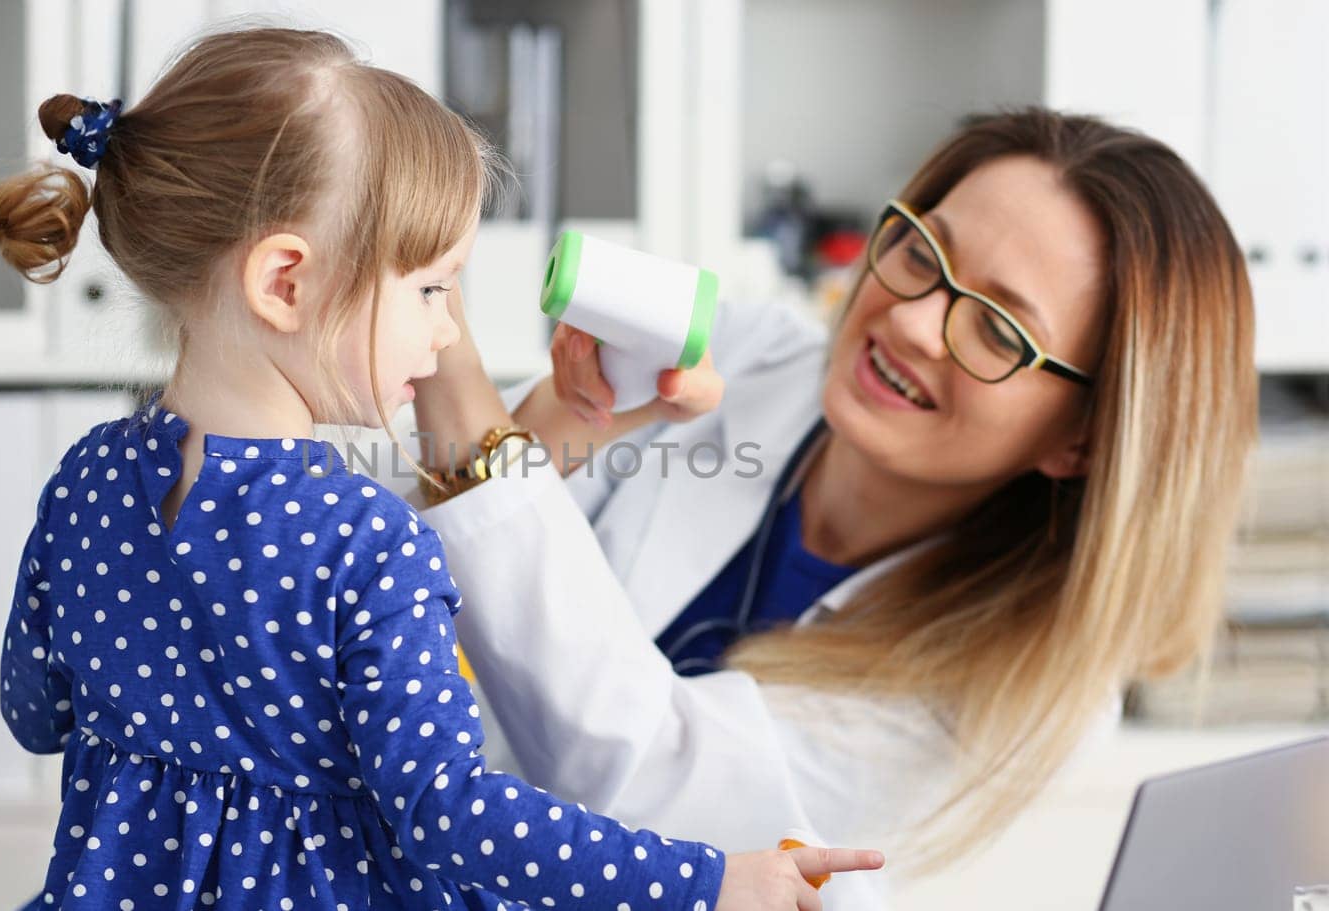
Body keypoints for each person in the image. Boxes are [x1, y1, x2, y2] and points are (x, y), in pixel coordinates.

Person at [0, 26, 880, 911]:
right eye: (432, 289)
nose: (448, 332)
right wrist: (710, 881)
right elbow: (447, 814)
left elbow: (38, 713)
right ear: (285, 284)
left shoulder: (87, 481)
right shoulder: (369, 543)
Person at [409, 108, 1257, 909]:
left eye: (999, 331)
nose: (916, 322)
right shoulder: (750, 353)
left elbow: (646, 784)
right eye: (924, 254)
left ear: (1084, 441)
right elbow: (407, 571)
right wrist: (567, 414)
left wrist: (431, 311)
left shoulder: (1024, 697)